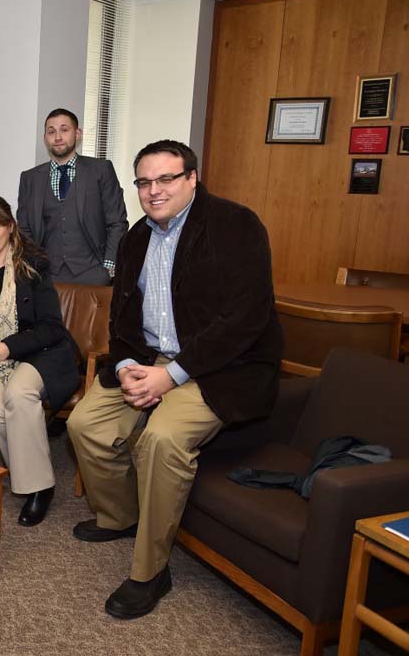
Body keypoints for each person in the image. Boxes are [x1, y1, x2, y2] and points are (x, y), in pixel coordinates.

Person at [66, 140, 282, 619]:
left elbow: (245, 318)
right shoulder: (136, 238)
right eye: (144, 182)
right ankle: (122, 517)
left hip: (220, 367)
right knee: (86, 425)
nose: (153, 190)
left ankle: (150, 571)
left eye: (166, 179)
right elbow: (120, 319)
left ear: (192, 178)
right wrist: (125, 368)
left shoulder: (235, 226)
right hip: (148, 358)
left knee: (161, 440)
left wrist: (171, 377)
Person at [0, 195, 79, 526]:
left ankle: (39, 488)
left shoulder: (31, 264)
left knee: (19, 396)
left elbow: (51, 327)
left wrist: (8, 347)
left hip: (37, 353)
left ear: (9, 227)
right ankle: (29, 469)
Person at [17, 108, 128, 285]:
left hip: (93, 273)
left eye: (64, 129)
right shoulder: (30, 178)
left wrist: (108, 268)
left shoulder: (101, 170)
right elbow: (24, 228)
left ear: (77, 134)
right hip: (47, 276)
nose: (58, 137)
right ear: (45, 138)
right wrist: (34, 266)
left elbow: (117, 222)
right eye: (51, 131)